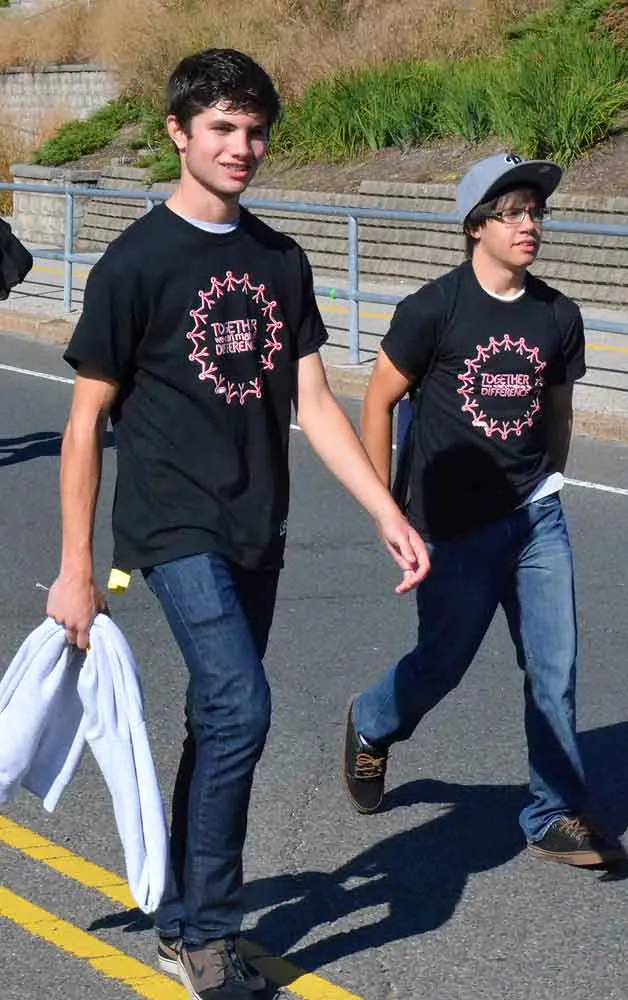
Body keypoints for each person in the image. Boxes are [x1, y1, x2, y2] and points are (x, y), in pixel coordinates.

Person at [46, 48, 430, 1000]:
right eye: (221, 127)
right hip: (172, 524)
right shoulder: (136, 263)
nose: (241, 147)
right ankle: (210, 936)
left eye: (255, 130)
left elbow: (316, 402)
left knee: (215, 718)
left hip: (258, 522)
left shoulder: (280, 260)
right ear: (178, 132)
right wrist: (75, 568)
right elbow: (86, 423)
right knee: (242, 707)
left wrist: (386, 508)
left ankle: (181, 917)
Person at [343, 152, 627, 870]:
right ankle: (372, 721)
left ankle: (552, 812)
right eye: (513, 212)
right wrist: (388, 510)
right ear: (477, 226)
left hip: (536, 517)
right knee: (441, 664)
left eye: (537, 211)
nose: (530, 224)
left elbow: (558, 412)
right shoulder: (432, 310)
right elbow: (378, 402)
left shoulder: (558, 314)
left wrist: (547, 480)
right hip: (451, 527)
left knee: (554, 665)